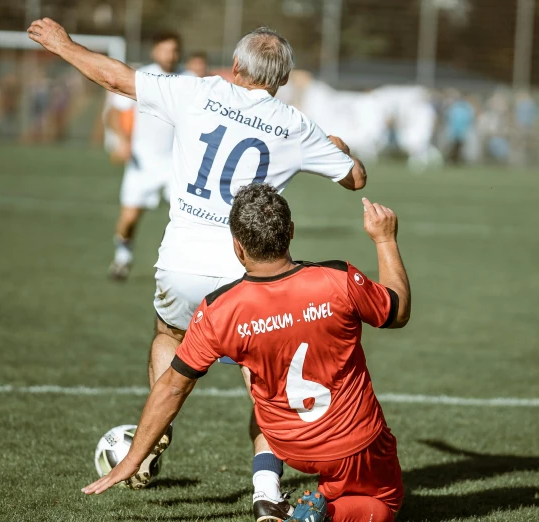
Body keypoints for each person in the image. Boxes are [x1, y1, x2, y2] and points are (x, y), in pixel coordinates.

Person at [28, 17, 367, 521]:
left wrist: (64, 44)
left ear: (235, 66)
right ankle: (266, 493)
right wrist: (337, 149)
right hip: (247, 271)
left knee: (168, 333)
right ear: (283, 79)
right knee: (265, 379)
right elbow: (356, 179)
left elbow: (116, 78)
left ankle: (157, 431)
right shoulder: (296, 126)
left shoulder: (198, 93)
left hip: (181, 263)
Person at [82, 185, 410, 522]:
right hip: (357, 442)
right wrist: (385, 239)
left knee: (338, 484)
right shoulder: (337, 279)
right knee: (386, 501)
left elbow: (172, 386)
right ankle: (318, 514)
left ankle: (313, 499)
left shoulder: (218, 310)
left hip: (289, 446)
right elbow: (397, 313)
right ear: (291, 232)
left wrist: (134, 458)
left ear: (237, 247)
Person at [106, 31, 188, 280]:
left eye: (174, 50)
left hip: (177, 165)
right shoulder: (142, 78)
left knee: (184, 217)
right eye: (164, 50)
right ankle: (122, 258)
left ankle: (175, 268)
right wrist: (122, 141)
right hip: (142, 162)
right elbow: (114, 112)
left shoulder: (189, 79)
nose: (169, 55)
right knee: (129, 217)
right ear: (155, 51)